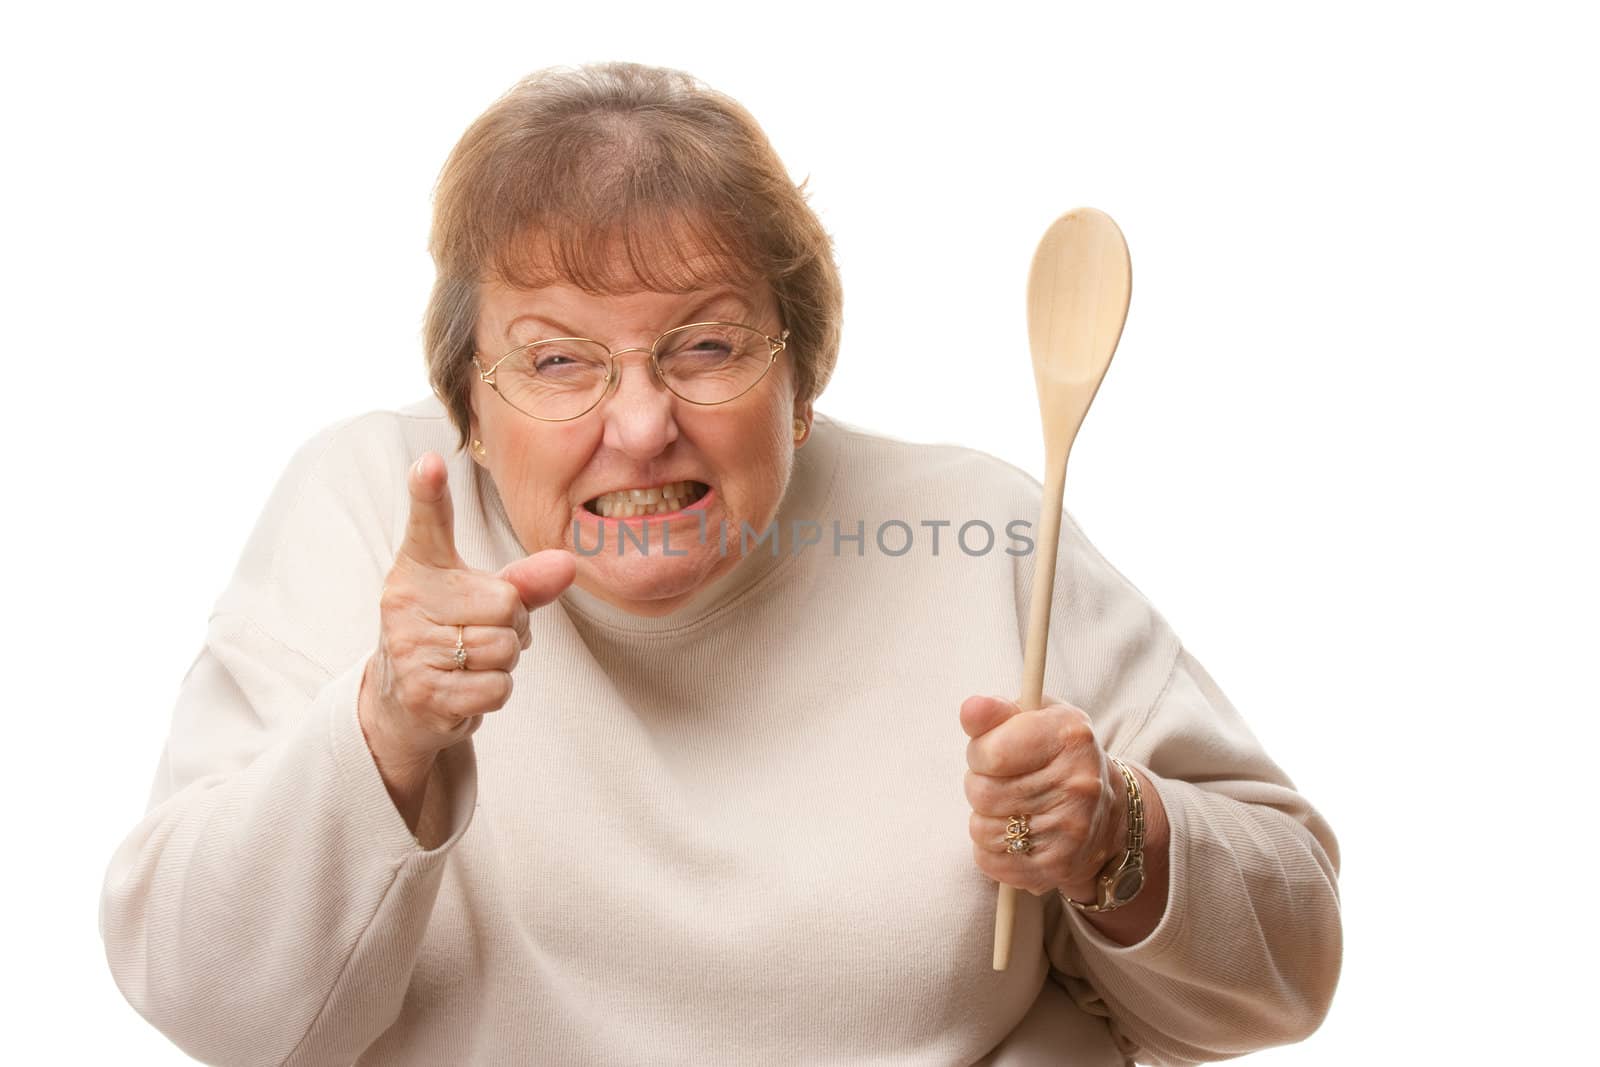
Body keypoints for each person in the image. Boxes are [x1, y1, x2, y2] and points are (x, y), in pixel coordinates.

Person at [98, 61, 1341, 1066]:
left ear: (801, 379)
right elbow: (211, 1007)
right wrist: (384, 728)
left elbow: (1287, 977)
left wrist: (1112, 836)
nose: (640, 426)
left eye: (703, 346)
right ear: (464, 406)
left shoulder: (980, 529)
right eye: (558, 360)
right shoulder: (371, 507)